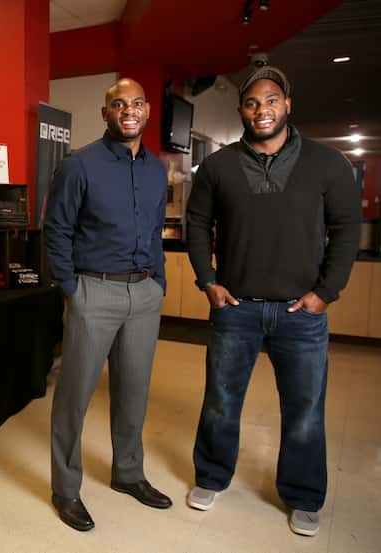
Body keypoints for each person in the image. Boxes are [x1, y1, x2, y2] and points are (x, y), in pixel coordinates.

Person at [185, 66, 361, 537]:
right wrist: (207, 280)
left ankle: (303, 496)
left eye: (270, 100)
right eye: (251, 103)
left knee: (304, 409)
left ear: (287, 105)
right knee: (221, 402)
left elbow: (346, 231)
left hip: (300, 315)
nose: (261, 110)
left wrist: (326, 293)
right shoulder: (218, 167)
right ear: (241, 110)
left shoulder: (328, 163)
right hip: (235, 309)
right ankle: (212, 476)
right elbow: (197, 225)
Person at [44, 78, 171, 532]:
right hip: (93, 292)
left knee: (134, 392)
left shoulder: (157, 171)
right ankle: (66, 488)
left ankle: (129, 474)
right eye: (119, 104)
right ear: (106, 113)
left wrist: (159, 280)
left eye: (137, 103)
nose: (129, 111)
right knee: (74, 396)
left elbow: (155, 228)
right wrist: (70, 288)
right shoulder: (80, 166)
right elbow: (56, 228)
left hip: (144, 294)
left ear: (148, 110)